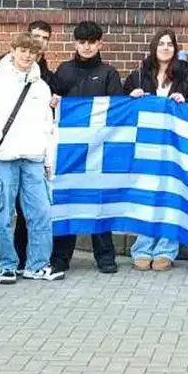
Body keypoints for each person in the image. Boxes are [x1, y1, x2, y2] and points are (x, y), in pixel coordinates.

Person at [0, 32, 62, 284]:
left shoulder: (41, 86)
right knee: (2, 214)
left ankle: (37, 265)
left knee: (41, 213)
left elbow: (47, 125)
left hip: (34, 159)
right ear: (12, 51)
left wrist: (48, 159)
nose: (27, 56)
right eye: (23, 50)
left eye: (32, 52)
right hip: (5, 158)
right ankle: (7, 265)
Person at [122, 29, 188, 271]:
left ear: (175, 49)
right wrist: (131, 97)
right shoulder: (139, 76)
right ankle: (142, 247)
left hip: (173, 149)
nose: (165, 47)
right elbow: (120, 106)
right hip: (147, 147)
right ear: (154, 47)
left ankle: (166, 249)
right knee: (147, 196)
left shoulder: (185, 77)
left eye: (170, 44)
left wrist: (185, 101)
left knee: (170, 196)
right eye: (161, 43)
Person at [49, 21, 124, 274]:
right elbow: (52, 104)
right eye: (82, 42)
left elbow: (117, 110)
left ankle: (105, 256)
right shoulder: (64, 70)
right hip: (70, 150)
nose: (87, 47)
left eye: (92, 42)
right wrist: (53, 101)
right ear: (75, 43)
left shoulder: (109, 73)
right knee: (67, 200)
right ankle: (60, 257)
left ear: (100, 43)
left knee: (99, 200)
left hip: (99, 150)